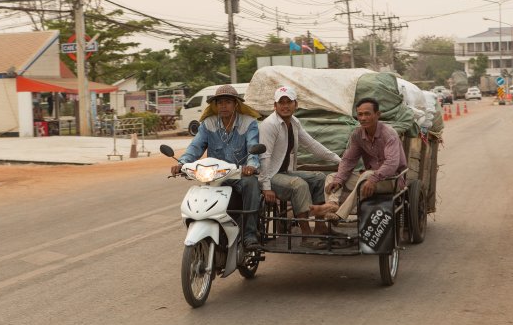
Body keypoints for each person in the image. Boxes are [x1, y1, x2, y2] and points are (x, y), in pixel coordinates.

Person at [171, 84, 263, 250]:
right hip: (214, 177)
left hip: (238, 176)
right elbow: (196, 146)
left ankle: (250, 234)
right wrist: (182, 163)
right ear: (215, 105)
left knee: (252, 184)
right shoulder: (208, 124)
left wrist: (251, 165)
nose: (223, 105)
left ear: (236, 104)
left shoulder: (249, 123)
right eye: (219, 102)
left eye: (227, 102)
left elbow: (253, 146)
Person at [258, 86, 341, 245]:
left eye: (288, 101)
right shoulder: (270, 125)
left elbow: (312, 145)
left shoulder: (294, 123)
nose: (285, 105)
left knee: (319, 178)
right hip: (269, 175)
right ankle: (306, 235)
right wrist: (266, 186)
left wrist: (339, 160)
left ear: (296, 104)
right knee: (299, 185)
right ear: (274, 106)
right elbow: (264, 157)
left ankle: (320, 227)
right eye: (281, 102)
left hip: (285, 172)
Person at [313, 98, 407, 221]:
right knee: (332, 177)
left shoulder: (389, 134)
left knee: (367, 174)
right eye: (360, 114)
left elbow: (392, 163)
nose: (363, 118)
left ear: (377, 114)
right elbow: (348, 160)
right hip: (367, 180)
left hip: (391, 180)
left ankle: (340, 215)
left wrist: (373, 179)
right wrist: (339, 180)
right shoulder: (357, 135)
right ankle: (332, 205)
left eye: (367, 114)